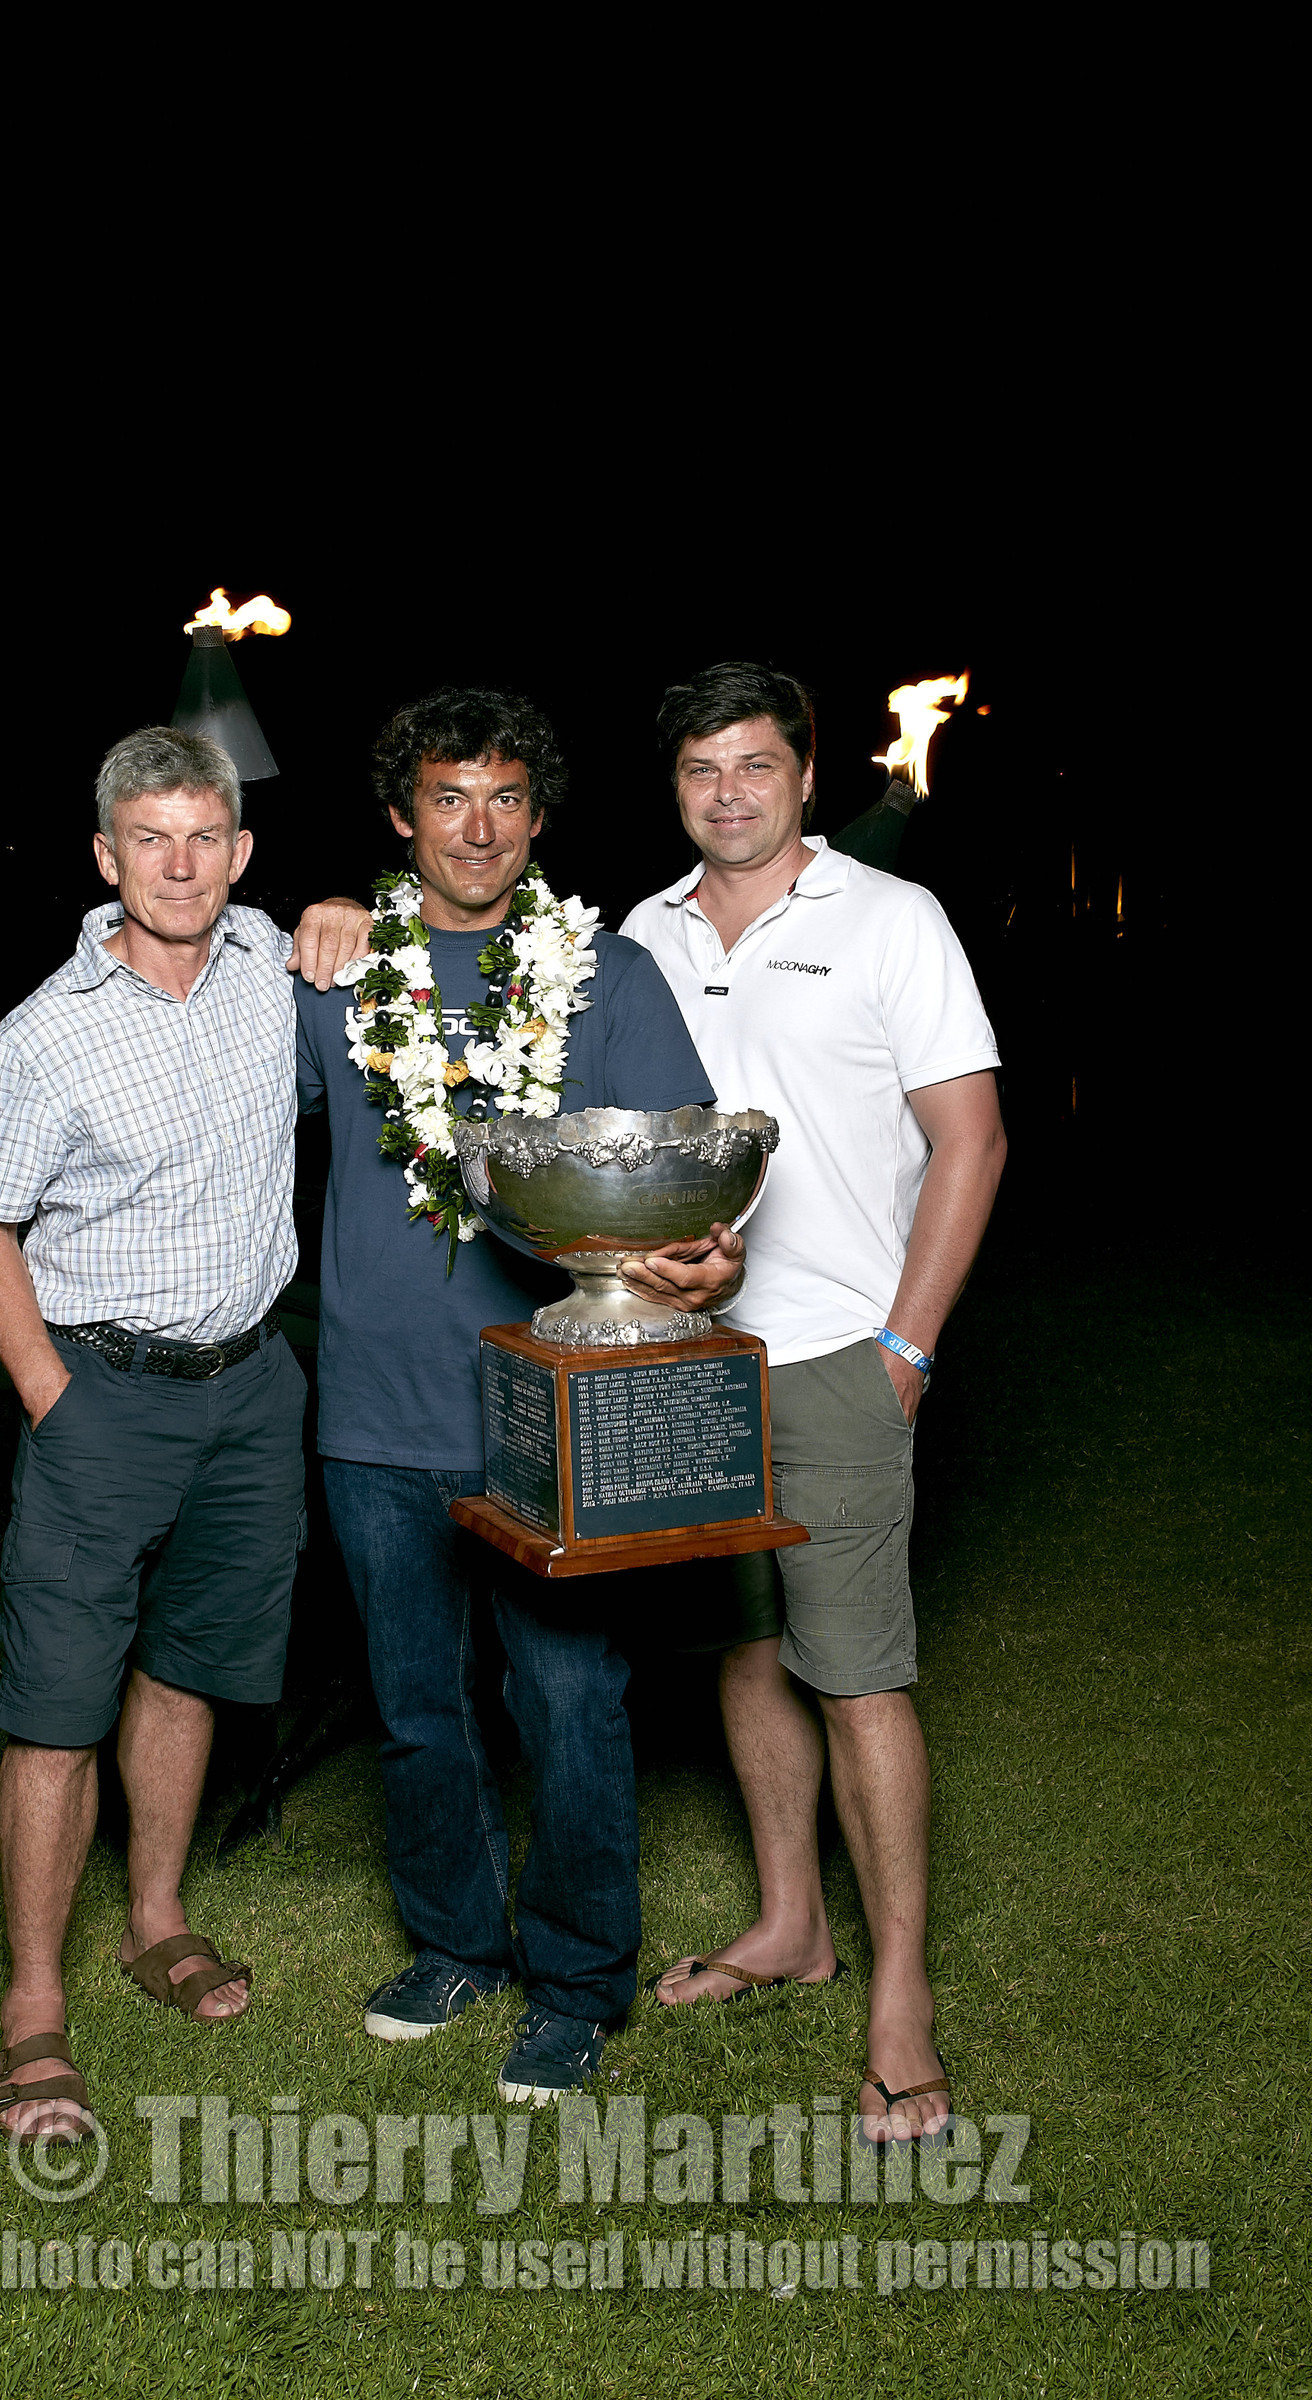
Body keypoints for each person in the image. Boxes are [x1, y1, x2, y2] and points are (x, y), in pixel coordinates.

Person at [292, 686, 742, 2103]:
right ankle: (453, 1944)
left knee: (568, 1699)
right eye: (448, 798)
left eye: (503, 799)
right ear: (400, 816)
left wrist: (700, 1259)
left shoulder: (606, 974)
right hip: (377, 1403)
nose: (476, 829)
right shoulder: (336, 974)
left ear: (539, 819)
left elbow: (680, 1174)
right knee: (417, 1704)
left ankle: (579, 1980)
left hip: (550, 1404)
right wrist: (310, 917)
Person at [617, 661, 1007, 2146]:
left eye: (756, 765)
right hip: (688, 1365)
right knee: (748, 1644)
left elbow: (972, 1140)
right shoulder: (642, 935)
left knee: (857, 1675)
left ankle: (901, 1996)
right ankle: (793, 1922)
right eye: (701, 768)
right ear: (676, 786)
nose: (729, 793)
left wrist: (907, 1349)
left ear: (804, 774)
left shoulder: (891, 919)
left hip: (842, 1351)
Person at [0, 726, 309, 2145]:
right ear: (107, 858)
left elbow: (374, 945)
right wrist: (54, 1395)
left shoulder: (269, 964)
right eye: (150, 839)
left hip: (253, 1388)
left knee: (193, 1661)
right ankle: (31, 2007)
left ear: (241, 852)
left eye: (205, 836)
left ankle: (155, 1918)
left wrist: (349, 910)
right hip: (104, 1391)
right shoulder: (42, 1039)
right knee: (58, 1701)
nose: (180, 864)